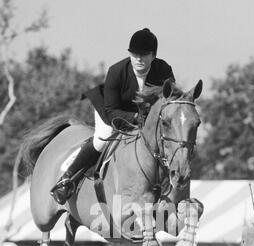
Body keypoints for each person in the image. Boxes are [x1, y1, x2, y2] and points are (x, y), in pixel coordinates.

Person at [51, 28, 175, 204]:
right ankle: (67, 179)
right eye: (134, 54)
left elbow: (170, 101)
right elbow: (111, 110)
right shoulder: (117, 71)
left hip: (146, 119)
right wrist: (134, 118)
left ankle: (172, 182)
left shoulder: (163, 71)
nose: (138, 58)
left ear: (153, 56)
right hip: (112, 112)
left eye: (144, 54)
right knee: (102, 139)